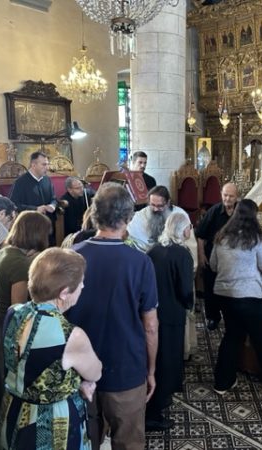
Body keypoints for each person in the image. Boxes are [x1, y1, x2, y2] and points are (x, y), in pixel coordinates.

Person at [66, 182, 159, 450]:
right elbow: (150, 326)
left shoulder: (70, 257)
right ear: (128, 217)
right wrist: (151, 370)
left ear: (94, 214)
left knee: (85, 439)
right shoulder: (140, 262)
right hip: (126, 365)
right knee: (128, 441)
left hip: (77, 366)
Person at [0, 248, 102, 450]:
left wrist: (72, 382)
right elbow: (95, 372)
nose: (83, 286)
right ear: (64, 292)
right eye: (80, 282)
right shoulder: (70, 335)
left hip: (13, 412)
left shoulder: (14, 312)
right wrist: (81, 382)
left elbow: (30, 367)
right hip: (50, 424)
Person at [210, 199, 262, 395]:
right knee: (260, 339)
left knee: (232, 336)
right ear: (254, 217)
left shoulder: (221, 237)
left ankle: (222, 382)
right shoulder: (256, 239)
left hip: (225, 296)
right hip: (250, 297)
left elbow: (213, 265)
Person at [0, 211, 51, 407]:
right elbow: (18, 310)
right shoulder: (20, 264)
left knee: (3, 376)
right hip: (10, 327)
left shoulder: (5, 251)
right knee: (13, 380)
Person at [146, 213, 194, 431]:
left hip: (152, 312)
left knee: (155, 360)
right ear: (183, 230)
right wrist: (189, 304)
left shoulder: (154, 250)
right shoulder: (182, 254)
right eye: (189, 227)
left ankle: (157, 400)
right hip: (172, 315)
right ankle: (154, 413)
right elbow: (185, 289)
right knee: (168, 362)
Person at [195, 182, 238, 331]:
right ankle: (212, 317)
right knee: (211, 289)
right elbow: (200, 235)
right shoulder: (214, 211)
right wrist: (201, 255)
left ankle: (230, 317)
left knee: (231, 291)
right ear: (221, 194)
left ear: (237, 197)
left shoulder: (241, 212)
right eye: (225, 195)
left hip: (233, 261)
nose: (227, 199)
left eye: (231, 196)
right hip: (212, 258)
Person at [128, 185, 196, 253]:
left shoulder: (180, 215)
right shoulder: (141, 215)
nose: (155, 209)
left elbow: (189, 241)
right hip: (146, 255)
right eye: (152, 205)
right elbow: (131, 237)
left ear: (168, 202)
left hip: (173, 255)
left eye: (160, 206)